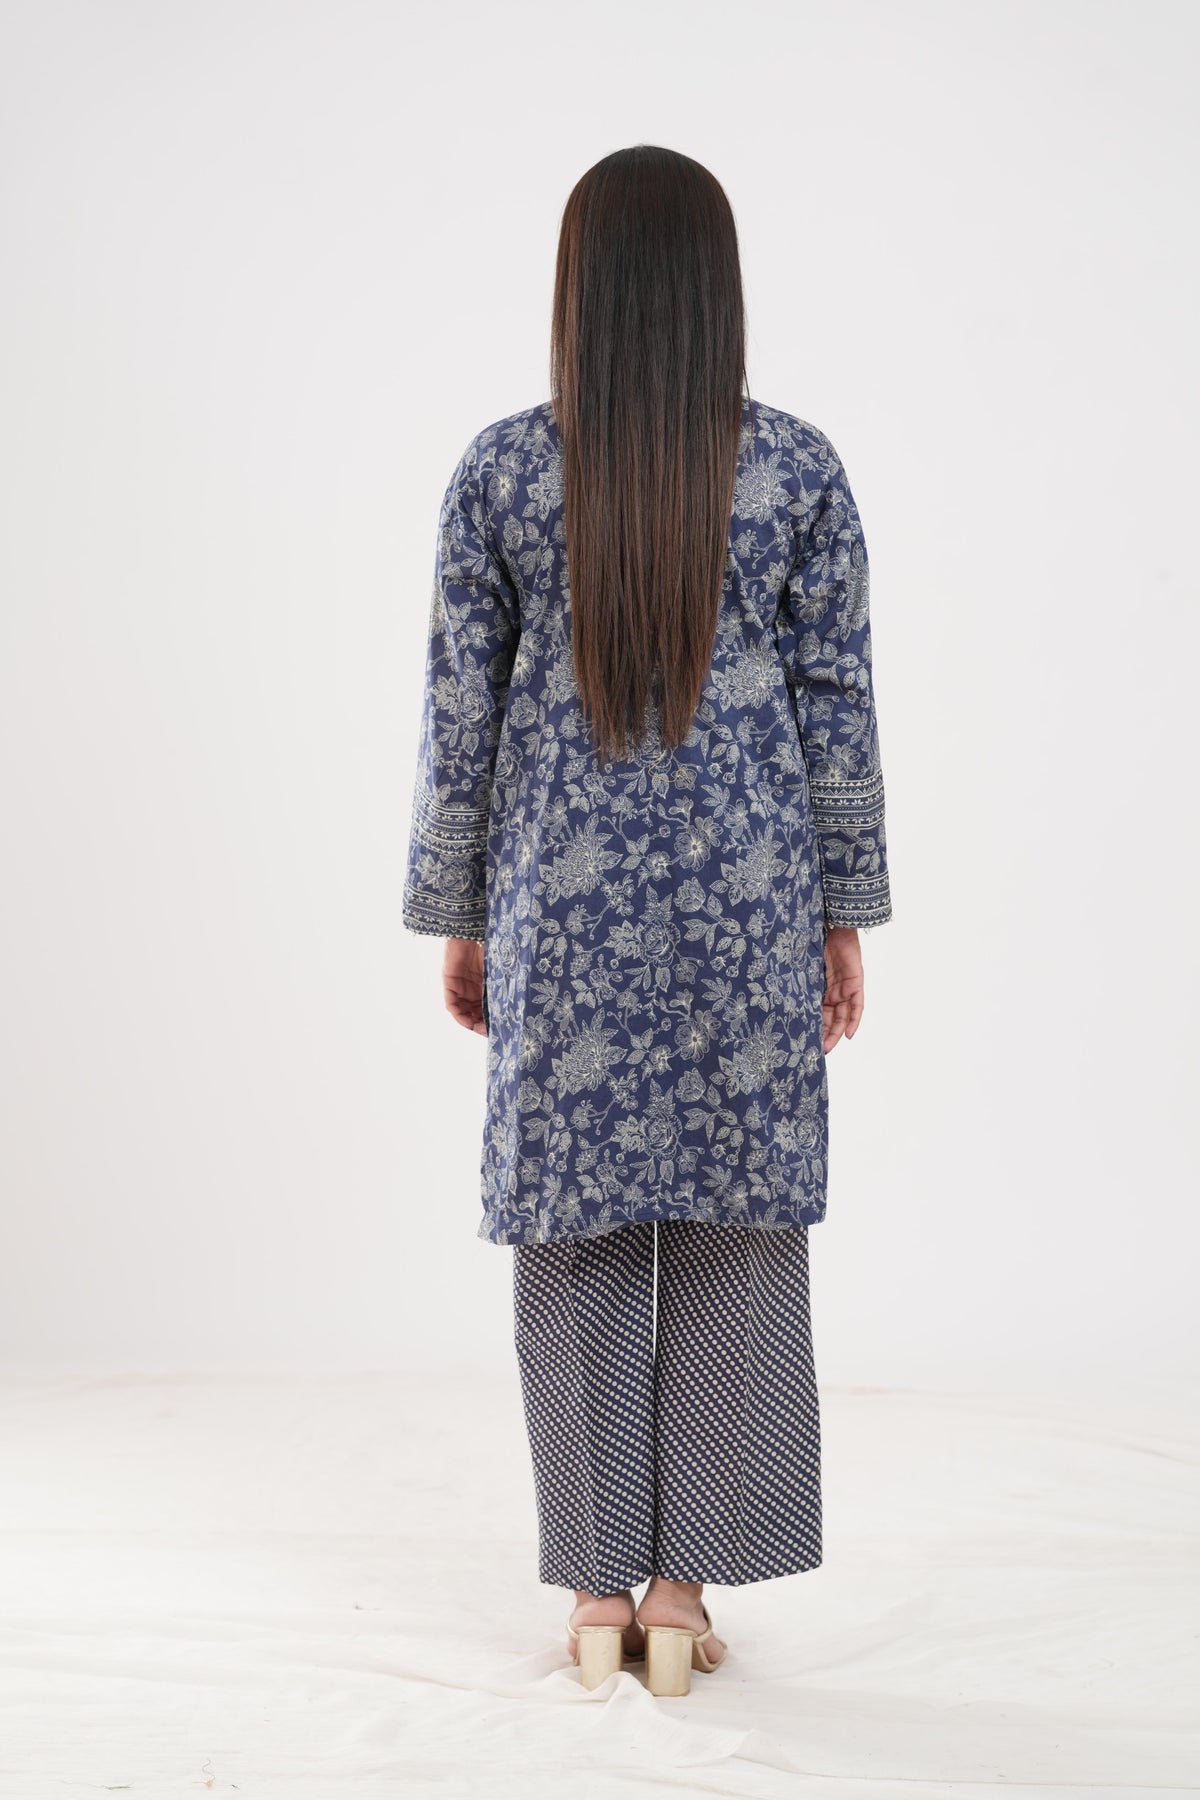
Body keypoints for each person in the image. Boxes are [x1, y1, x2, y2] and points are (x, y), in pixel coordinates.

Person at [402, 144, 892, 1697]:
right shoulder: (796, 471)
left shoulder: (502, 474)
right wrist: (842, 910)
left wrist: (463, 910)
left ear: (582, 289)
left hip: (561, 898)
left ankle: (597, 1596)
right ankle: (685, 1596)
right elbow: (836, 702)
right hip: (754, 896)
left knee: (577, 1228)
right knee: (740, 1227)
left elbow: (462, 712)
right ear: (714, 291)